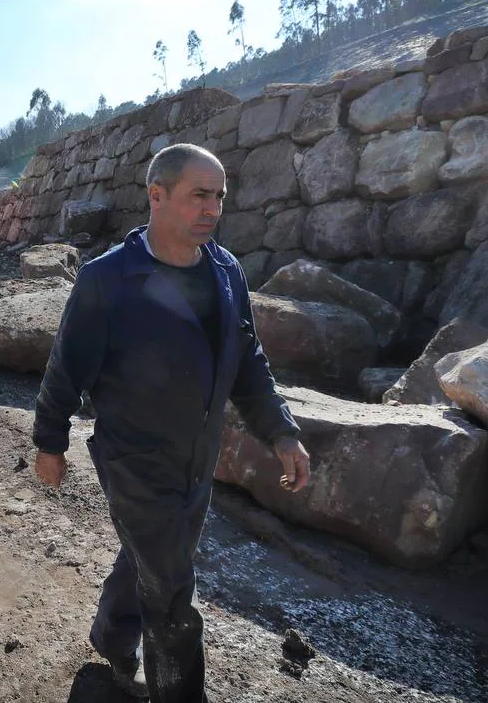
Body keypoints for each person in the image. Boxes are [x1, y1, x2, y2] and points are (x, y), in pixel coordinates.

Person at [32, 143, 311, 702]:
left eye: (220, 198)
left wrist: (281, 433)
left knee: (153, 556)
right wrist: (49, 443)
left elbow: (248, 360)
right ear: (156, 197)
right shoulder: (108, 280)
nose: (212, 209)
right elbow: (68, 365)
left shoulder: (226, 272)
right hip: (133, 459)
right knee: (172, 592)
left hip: (198, 456)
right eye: (199, 195)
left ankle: (111, 637)